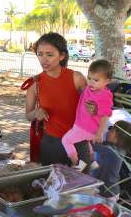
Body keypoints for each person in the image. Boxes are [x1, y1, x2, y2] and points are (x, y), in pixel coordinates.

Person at [24, 32, 93, 166]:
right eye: (40, 54)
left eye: (49, 55)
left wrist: (93, 108)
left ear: (62, 56)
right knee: (52, 184)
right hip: (51, 145)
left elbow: (92, 106)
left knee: (82, 185)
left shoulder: (77, 78)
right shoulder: (34, 84)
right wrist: (36, 113)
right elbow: (28, 115)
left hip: (78, 143)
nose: (44, 59)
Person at [61, 59, 113, 170]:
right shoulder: (91, 88)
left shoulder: (104, 96)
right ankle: (93, 162)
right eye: (89, 78)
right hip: (86, 127)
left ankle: (75, 162)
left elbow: (105, 116)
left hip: (84, 128)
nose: (91, 82)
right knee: (86, 142)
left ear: (107, 81)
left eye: (96, 80)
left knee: (66, 140)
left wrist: (100, 133)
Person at [91, 120, 131, 201]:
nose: (108, 130)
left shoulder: (114, 151)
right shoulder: (113, 147)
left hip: (107, 194)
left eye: (111, 129)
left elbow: (91, 144)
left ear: (118, 137)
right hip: (103, 189)